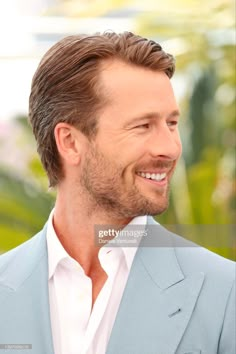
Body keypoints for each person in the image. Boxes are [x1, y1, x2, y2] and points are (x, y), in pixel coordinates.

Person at [0, 31, 235, 354]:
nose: (169, 148)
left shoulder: (225, 293)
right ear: (70, 142)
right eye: (143, 126)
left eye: (171, 123)